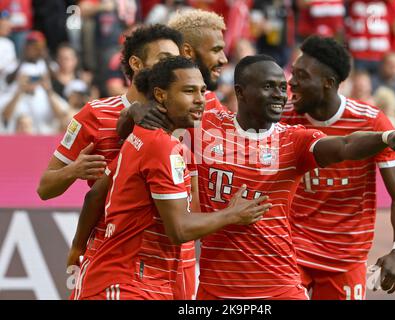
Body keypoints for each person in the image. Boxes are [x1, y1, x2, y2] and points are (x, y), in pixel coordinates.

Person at [191, 54, 395, 300]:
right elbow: (174, 81)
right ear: (240, 91)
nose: (281, 94)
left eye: (282, 87)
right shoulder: (208, 121)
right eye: (269, 86)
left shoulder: (293, 139)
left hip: (279, 287)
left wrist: (385, 138)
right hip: (215, 288)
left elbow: (345, 145)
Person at [72, 56, 271, 300]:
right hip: (127, 284)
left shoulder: (144, 134)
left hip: (137, 280)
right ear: (161, 95)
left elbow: (95, 194)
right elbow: (178, 229)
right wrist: (233, 214)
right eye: (189, 91)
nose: (200, 100)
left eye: (202, 91)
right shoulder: (162, 146)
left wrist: (77, 247)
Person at [37, 24, 183, 287]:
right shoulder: (94, 114)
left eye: (177, 61)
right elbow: (45, 188)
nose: (173, 69)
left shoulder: (183, 119)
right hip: (112, 257)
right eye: (164, 60)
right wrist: (74, 170)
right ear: (136, 63)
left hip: (169, 259)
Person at [282, 35, 395, 299]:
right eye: (292, 73)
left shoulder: (373, 122)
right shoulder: (283, 118)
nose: (291, 82)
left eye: (301, 75)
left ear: (328, 83)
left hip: (346, 258)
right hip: (291, 253)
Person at [116, 9, 229, 139]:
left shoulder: (208, 103)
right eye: (215, 50)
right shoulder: (97, 112)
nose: (224, 59)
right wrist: (129, 116)